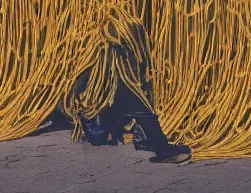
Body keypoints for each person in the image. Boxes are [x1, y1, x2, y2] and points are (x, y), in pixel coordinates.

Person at [65, 12, 191, 164]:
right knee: (143, 111)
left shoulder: (105, 59)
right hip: (102, 111)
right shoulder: (115, 67)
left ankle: (140, 141)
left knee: (105, 131)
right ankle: (163, 151)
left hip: (103, 113)